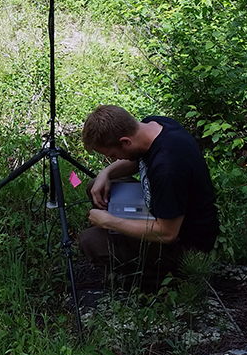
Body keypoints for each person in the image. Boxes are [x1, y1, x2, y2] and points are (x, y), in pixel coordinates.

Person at [79, 105, 219, 290]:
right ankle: (125, 244)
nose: (114, 159)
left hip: (186, 246)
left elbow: (167, 233)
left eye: (113, 155)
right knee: (96, 186)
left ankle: (155, 282)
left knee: (90, 241)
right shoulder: (154, 125)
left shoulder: (168, 169)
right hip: (162, 209)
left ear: (125, 141)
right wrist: (106, 173)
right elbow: (136, 159)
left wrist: (109, 222)